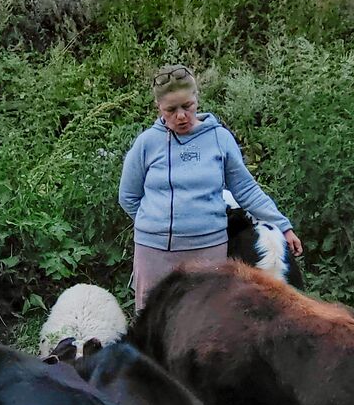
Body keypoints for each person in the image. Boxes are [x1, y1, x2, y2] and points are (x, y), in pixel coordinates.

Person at [119, 64, 303, 311]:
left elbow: (246, 189)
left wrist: (283, 226)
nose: (181, 116)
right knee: (153, 321)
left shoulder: (219, 138)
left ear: (197, 99)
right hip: (155, 253)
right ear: (158, 108)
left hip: (208, 250)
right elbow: (128, 196)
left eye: (187, 106)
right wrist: (155, 225)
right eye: (171, 110)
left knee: (205, 321)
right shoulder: (146, 144)